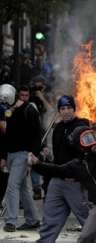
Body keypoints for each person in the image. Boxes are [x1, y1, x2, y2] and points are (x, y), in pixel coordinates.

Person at [36, 95, 96, 243]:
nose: (65, 111)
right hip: (57, 181)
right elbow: (58, 158)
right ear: (59, 111)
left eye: (68, 108)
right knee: (49, 219)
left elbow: (89, 154)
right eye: (62, 108)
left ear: (74, 109)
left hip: (75, 183)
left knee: (88, 221)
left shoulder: (82, 126)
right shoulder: (58, 128)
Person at [3, 86, 41, 232]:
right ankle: (33, 220)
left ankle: (11, 221)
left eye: (26, 95)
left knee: (12, 186)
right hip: (11, 154)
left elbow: (37, 132)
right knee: (23, 189)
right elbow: (6, 124)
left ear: (29, 96)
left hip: (23, 154)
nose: (24, 98)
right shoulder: (11, 110)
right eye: (22, 95)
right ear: (17, 95)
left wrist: (34, 152)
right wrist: (4, 156)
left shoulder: (30, 109)